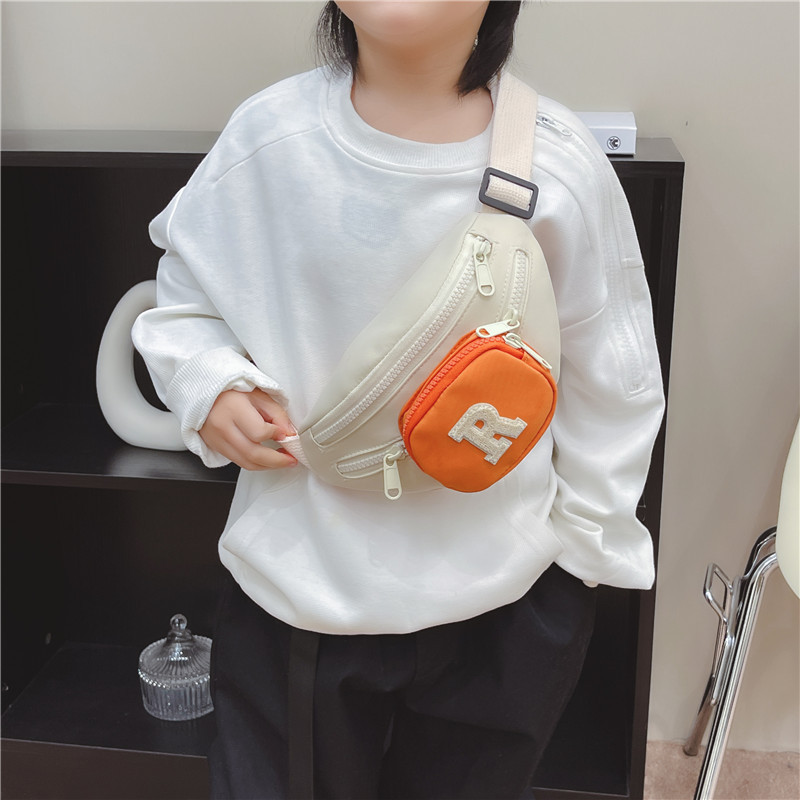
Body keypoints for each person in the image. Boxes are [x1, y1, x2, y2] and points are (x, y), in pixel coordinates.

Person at [132, 2, 665, 797]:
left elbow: (613, 378)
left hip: (505, 603)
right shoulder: (268, 138)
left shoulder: (560, 162)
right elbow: (182, 299)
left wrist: (580, 564)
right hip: (302, 594)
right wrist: (209, 384)